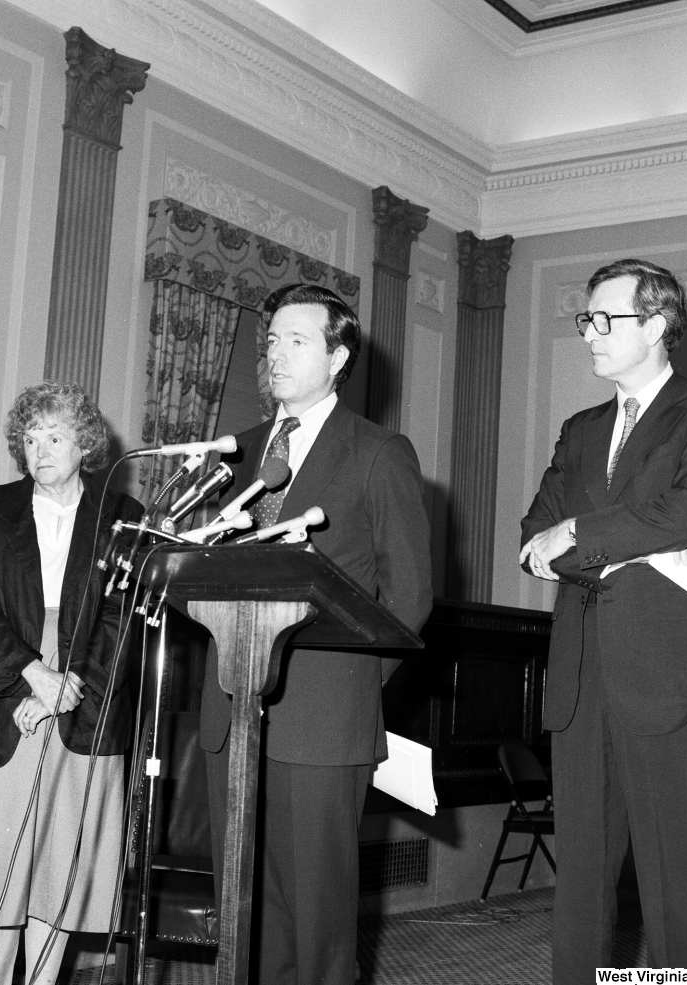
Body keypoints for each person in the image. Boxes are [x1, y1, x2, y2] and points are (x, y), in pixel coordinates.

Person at [519, 259, 687, 979]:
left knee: (677, 884)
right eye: (584, 319)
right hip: (583, 676)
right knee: (582, 885)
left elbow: (685, 512)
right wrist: (592, 543)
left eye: (604, 319)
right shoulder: (580, 428)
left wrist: (579, 538)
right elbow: (534, 534)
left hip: (672, 678)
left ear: (656, 326)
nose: (588, 333)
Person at [201, 284, 433, 984]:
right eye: (270, 339)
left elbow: (411, 598)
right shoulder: (234, 453)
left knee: (317, 919)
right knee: (240, 913)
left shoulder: (378, 452)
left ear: (337, 357)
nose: (274, 352)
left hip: (324, 718)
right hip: (230, 711)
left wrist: (352, 688)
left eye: (295, 340)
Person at [0, 382, 143, 985]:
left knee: (60, 860)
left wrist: (67, 686)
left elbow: (121, 618)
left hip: (88, 691)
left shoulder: (123, 517)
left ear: (86, 443)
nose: (39, 449)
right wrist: (31, 680)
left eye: (54, 436)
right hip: (4, 690)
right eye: (29, 437)